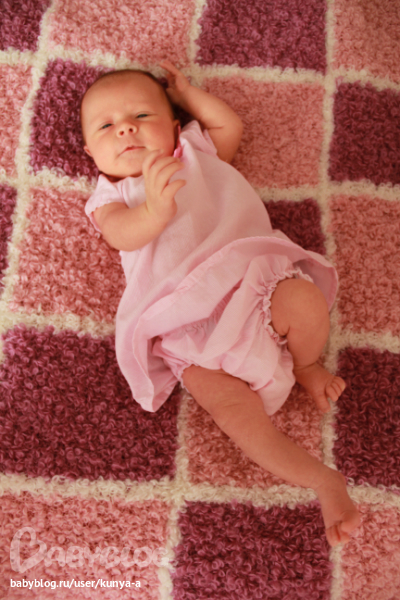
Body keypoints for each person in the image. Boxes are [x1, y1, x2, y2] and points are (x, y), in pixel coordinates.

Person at [81, 60, 360, 547]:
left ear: (175, 128)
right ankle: (322, 480)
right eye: (106, 126)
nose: (125, 128)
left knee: (304, 300)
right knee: (234, 414)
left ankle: (306, 364)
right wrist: (154, 210)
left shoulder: (194, 151)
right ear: (90, 152)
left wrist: (189, 95)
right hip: (185, 325)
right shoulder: (112, 194)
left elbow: (230, 127)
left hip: (252, 285)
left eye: (142, 116)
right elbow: (122, 235)